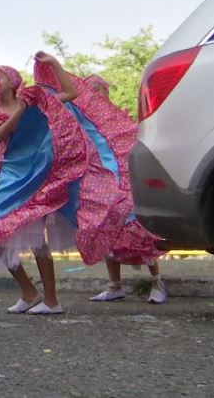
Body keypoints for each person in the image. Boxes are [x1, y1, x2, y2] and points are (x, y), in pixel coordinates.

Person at [0, 54, 129, 315]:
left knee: (37, 239)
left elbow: (71, 93)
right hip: (11, 178)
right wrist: (22, 113)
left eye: (0, 75)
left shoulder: (37, 102)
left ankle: (51, 300)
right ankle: (29, 293)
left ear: (13, 81)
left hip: (37, 176)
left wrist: (53, 64)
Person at [35, 73, 169, 304]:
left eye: (98, 90)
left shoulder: (117, 121)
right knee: (104, 228)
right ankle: (114, 284)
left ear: (106, 93)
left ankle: (157, 281)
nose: (95, 94)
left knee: (137, 230)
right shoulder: (82, 123)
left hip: (127, 184)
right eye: (91, 90)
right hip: (100, 185)